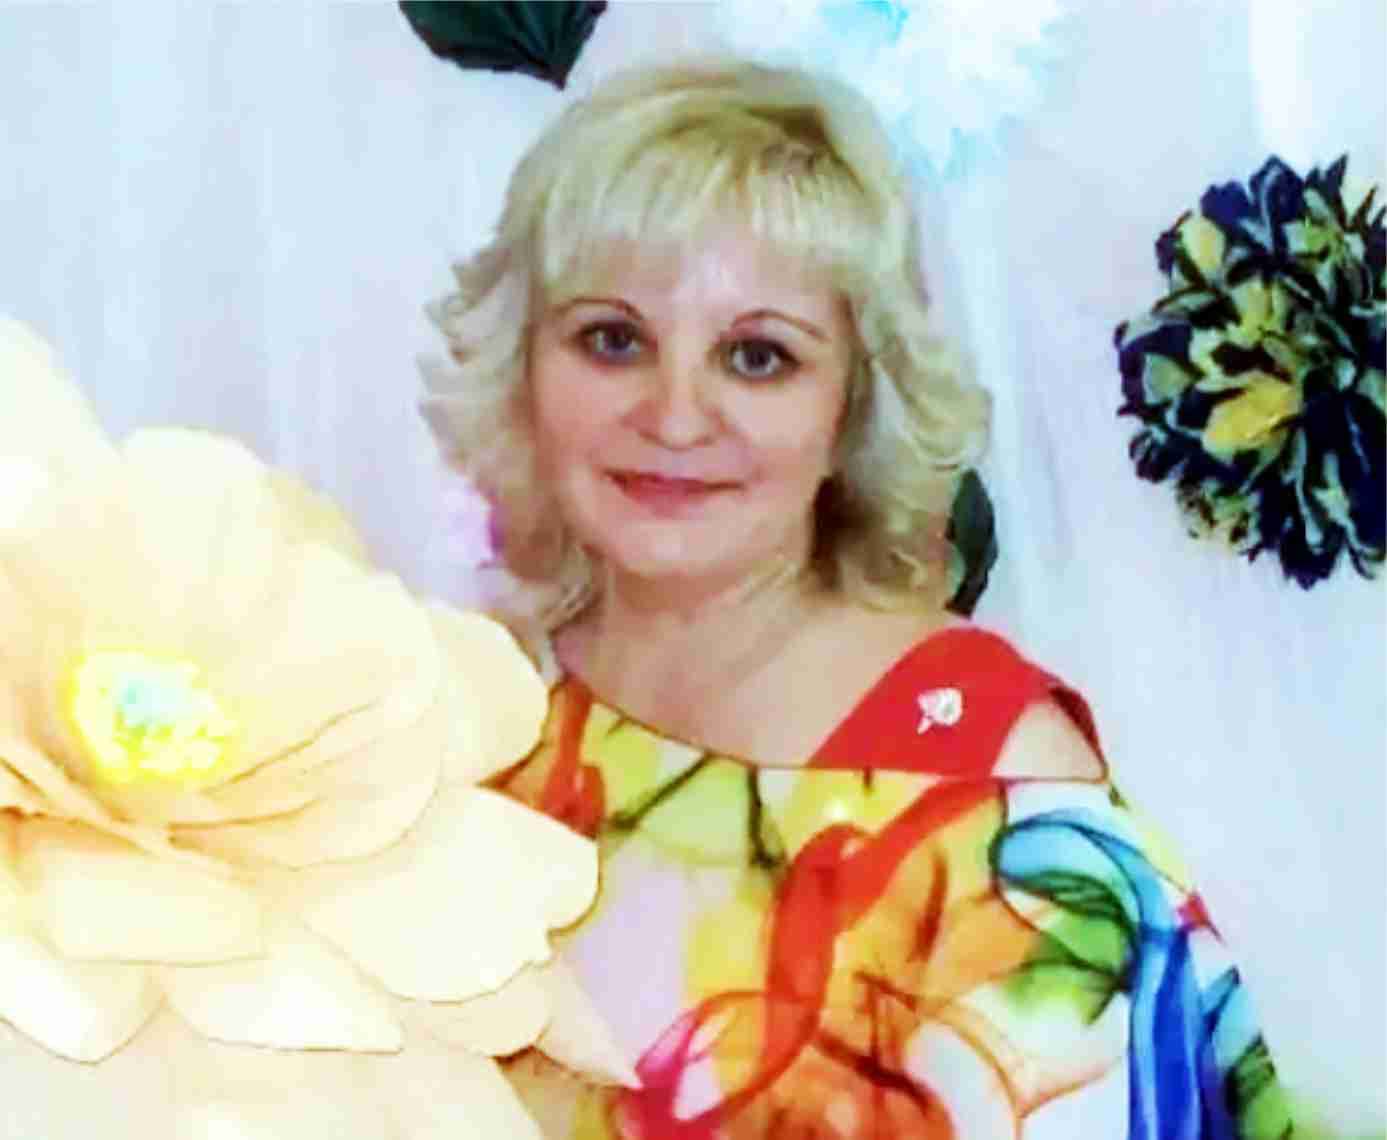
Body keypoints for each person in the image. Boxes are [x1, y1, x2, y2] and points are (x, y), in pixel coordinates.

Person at [420, 59, 1293, 1140]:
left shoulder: (986, 782)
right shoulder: (467, 711)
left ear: (853, 409)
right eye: (613, 339)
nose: (675, 414)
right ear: (524, 367)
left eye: (756, 357)